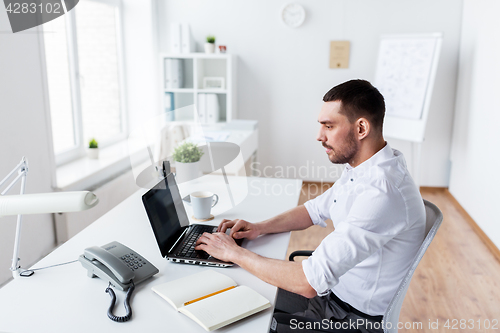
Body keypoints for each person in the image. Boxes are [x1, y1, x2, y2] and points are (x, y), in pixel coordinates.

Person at [195, 79, 426, 333]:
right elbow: (314, 210)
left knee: (238, 320)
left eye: (329, 126)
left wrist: (234, 253)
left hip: (350, 320)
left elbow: (309, 282)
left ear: (361, 128)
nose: (319, 136)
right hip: (332, 298)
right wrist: (259, 228)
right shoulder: (365, 168)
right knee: (237, 294)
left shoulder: (382, 191)